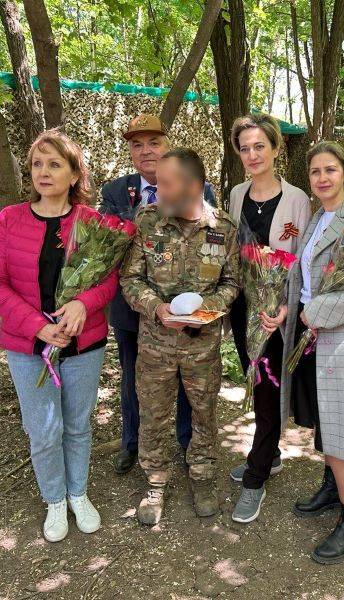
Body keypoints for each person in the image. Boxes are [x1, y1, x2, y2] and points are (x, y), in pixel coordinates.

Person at [0, 129, 117, 542]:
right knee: (43, 430)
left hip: (83, 344)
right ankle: (55, 500)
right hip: (29, 346)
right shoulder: (10, 219)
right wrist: (37, 326)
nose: (43, 172)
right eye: (37, 164)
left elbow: (109, 279)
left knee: (77, 425)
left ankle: (78, 493)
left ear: (74, 175)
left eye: (55, 164)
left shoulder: (92, 223)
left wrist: (84, 304)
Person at [273, 141, 344, 564]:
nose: (322, 178)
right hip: (313, 333)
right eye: (315, 171)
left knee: (343, 432)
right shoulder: (318, 217)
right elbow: (305, 277)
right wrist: (290, 309)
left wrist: (315, 312)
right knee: (326, 420)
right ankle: (332, 485)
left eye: (330, 170)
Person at [120, 148, 240, 525]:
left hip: (202, 348)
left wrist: (205, 310)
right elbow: (130, 279)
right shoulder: (148, 221)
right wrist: (157, 308)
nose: (159, 190)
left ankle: (202, 477)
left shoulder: (224, 228)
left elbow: (232, 283)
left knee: (204, 413)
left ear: (193, 186)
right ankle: (155, 482)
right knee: (153, 415)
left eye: (167, 183)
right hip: (155, 345)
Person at [100, 113, 216, 475]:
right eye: (137, 145)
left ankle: (186, 441)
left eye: (154, 142)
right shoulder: (115, 192)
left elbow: (212, 247)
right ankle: (132, 443)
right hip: (133, 308)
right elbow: (104, 247)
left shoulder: (200, 188)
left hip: (187, 311)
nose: (146, 151)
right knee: (134, 379)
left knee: (186, 379)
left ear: (168, 146)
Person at [226, 114, 311, 523]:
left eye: (260, 146)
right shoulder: (235, 194)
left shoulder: (297, 199)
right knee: (254, 378)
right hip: (243, 306)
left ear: (276, 149)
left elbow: (303, 261)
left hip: (276, 313)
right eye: (244, 148)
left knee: (267, 389)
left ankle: (256, 476)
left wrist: (287, 308)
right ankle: (270, 453)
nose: (252, 155)